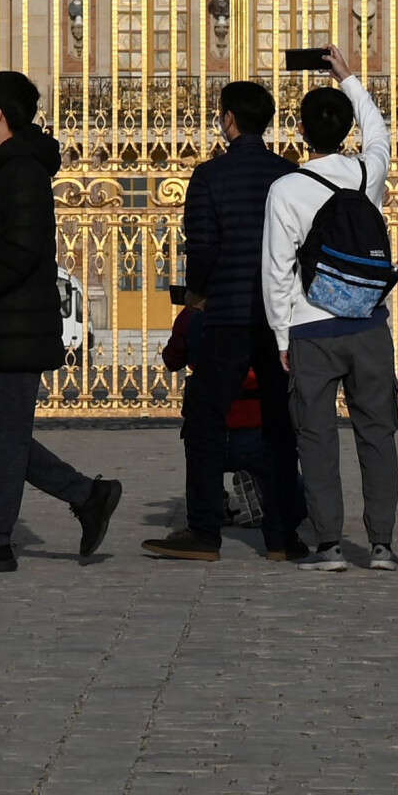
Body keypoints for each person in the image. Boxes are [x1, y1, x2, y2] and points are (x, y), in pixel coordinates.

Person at [0, 68, 121, 573]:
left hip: (12, 324)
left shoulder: (20, 170)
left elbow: (22, 250)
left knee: (6, 435)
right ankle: (87, 495)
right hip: (0, 324)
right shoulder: (6, 166)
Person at [143, 79, 310, 562]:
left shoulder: (209, 176)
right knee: (280, 425)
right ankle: (283, 535)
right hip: (278, 315)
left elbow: (204, 247)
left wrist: (197, 295)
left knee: (205, 421)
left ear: (230, 119)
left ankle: (204, 531)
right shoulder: (289, 175)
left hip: (227, 314)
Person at [260, 47, 398, 573]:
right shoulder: (369, 173)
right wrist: (349, 79)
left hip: (310, 326)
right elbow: (381, 132)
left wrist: (280, 338)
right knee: (377, 434)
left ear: (301, 133)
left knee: (316, 438)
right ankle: (382, 545)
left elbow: (276, 271)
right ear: (346, 131)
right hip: (368, 322)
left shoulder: (286, 189)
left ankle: (329, 546)